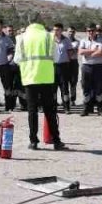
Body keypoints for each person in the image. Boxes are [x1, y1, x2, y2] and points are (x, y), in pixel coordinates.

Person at [16, 18, 66, 151]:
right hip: (46, 78)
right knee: (50, 111)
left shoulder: (21, 38)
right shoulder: (49, 36)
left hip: (29, 78)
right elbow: (55, 58)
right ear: (41, 24)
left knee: (32, 111)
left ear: (29, 24)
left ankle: (33, 141)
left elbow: (17, 59)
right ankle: (56, 140)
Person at [77, 24, 102, 117]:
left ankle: (100, 109)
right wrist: (92, 50)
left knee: (99, 88)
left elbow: (99, 53)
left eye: (92, 31)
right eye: (88, 31)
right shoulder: (83, 40)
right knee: (86, 87)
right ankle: (86, 108)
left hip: (98, 67)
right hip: (86, 67)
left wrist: (88, 52)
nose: (90, 32)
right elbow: (80, 52)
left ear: (95, 31)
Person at [52, 23, 77, 113]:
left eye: (57, 30)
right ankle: (53, 107)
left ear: (61, 30)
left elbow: (70, 53)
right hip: (52, 66)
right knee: (53, 88)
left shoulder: (66, 40)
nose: (55, 31)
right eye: (54, 29)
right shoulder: (50, 39)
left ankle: (66, 107)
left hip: (63, 66)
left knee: (64, 88)